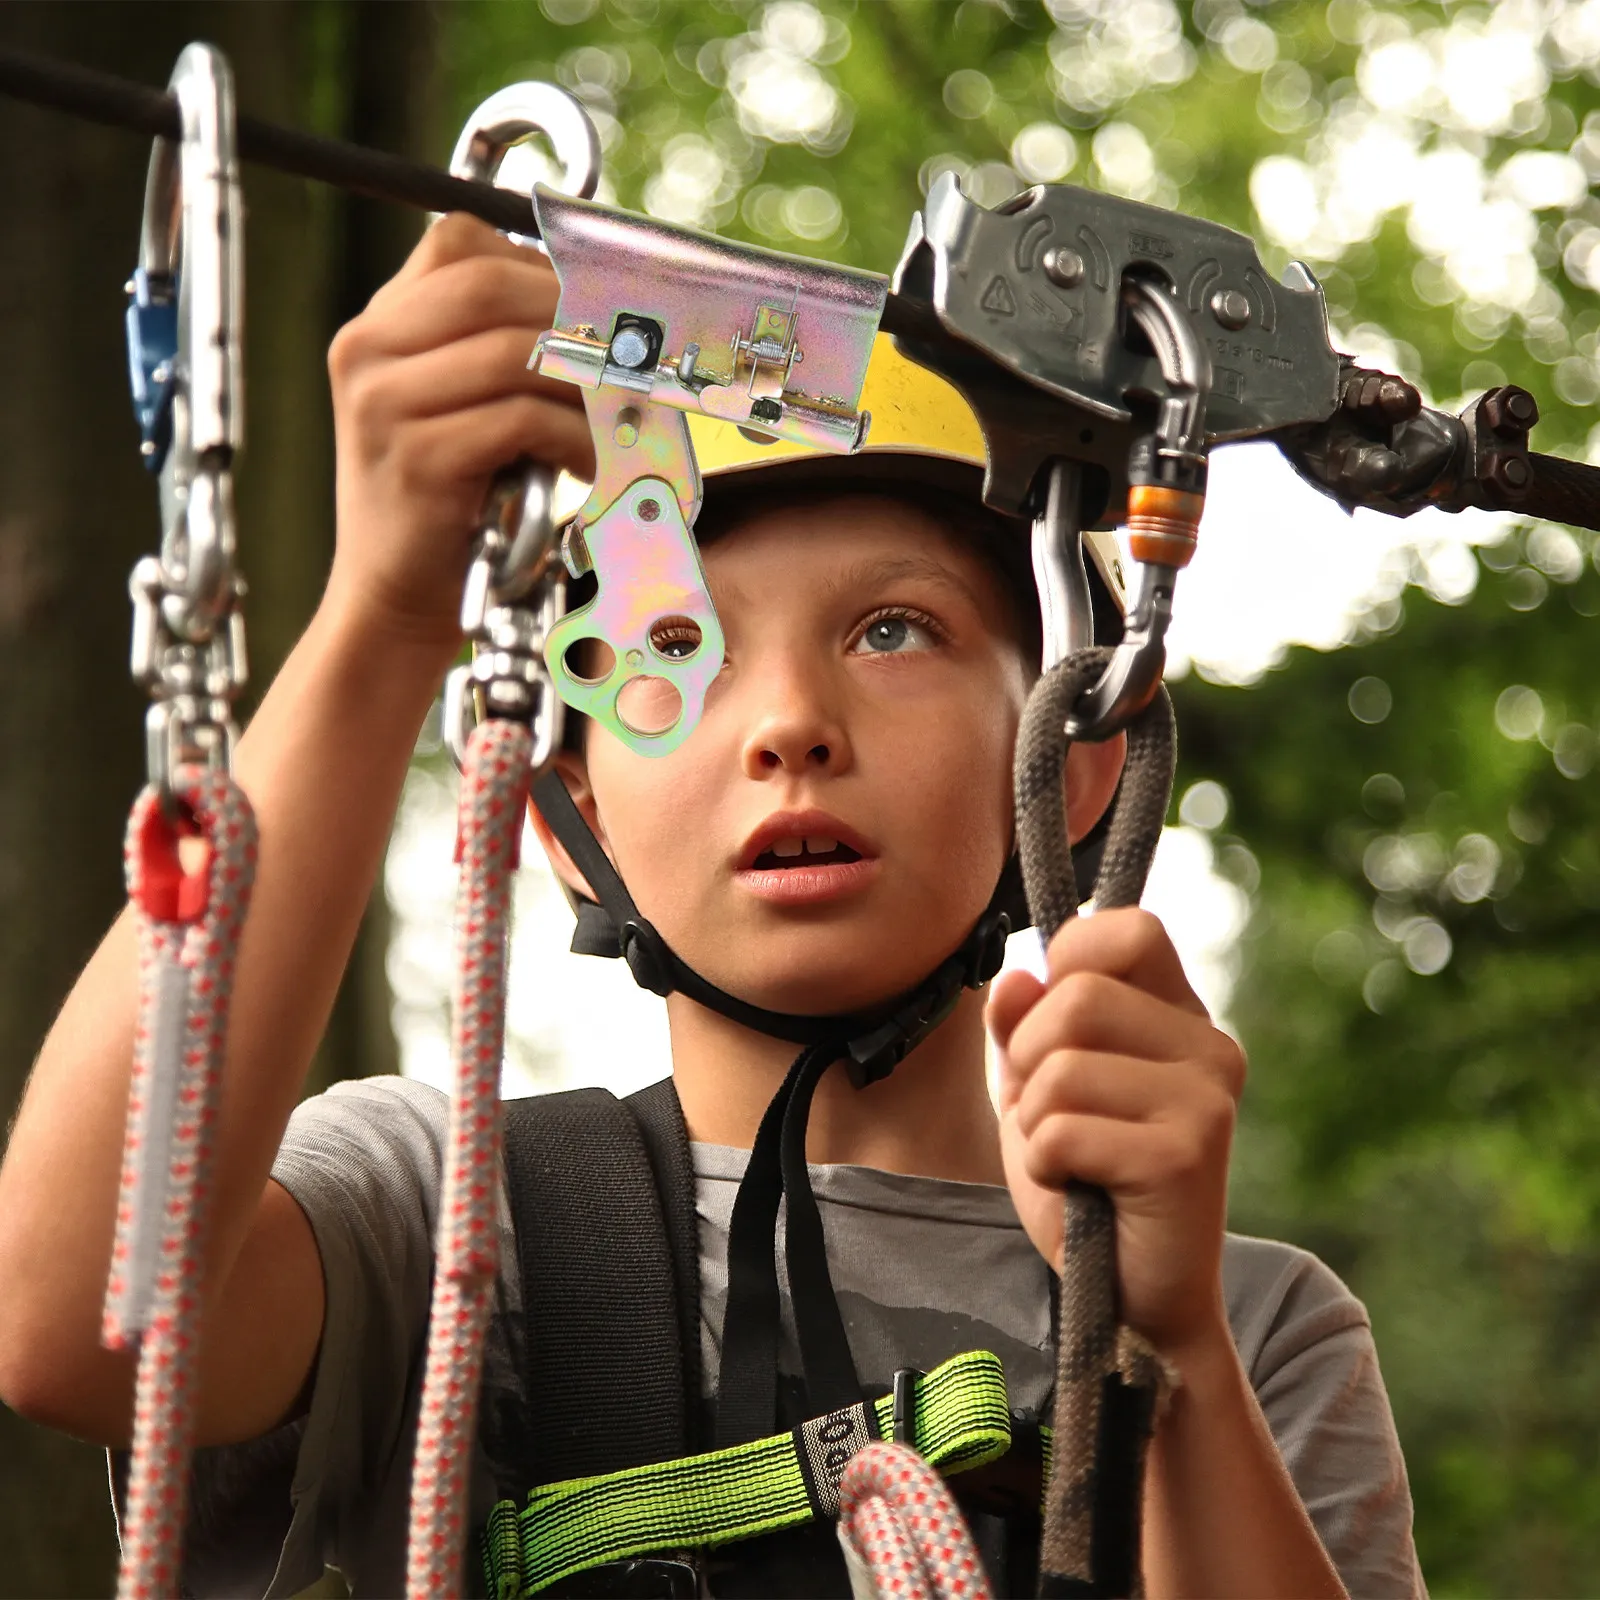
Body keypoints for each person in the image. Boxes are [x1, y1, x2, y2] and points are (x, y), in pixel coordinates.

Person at [0, 213, 1423, 1599]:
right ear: (572, 818)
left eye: (893, 630)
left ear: (1071, 761)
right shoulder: (444, 1229)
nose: (791, 723)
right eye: (679, 647)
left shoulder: (1258, 1332)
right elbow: (81, 1320)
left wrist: (1161, 1345)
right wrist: (381, 614)